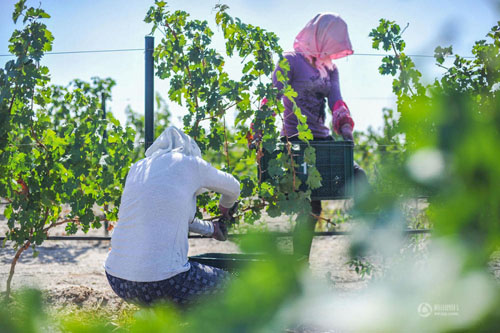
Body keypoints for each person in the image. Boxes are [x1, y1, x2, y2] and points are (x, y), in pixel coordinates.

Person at [104, 126, 240, 306]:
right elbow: (234, 187)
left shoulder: (139, 167)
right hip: (163, 283)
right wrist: (225, 208)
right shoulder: (191, 164)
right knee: (234, 287)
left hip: (117, 279)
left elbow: (171, 216)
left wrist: (211, 229)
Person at [270, 13, 368, 258]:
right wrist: (260, 131)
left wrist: (345, 126)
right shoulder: (290, 60)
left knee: (359, 176)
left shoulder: (330, 69)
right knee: (310, 206)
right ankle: (299, 266)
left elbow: (336, 100)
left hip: (323, 141)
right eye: (331, 43)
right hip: (296, 141)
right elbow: (272, 95)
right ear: (319, 37)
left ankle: (369, 237)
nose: (333, 51)